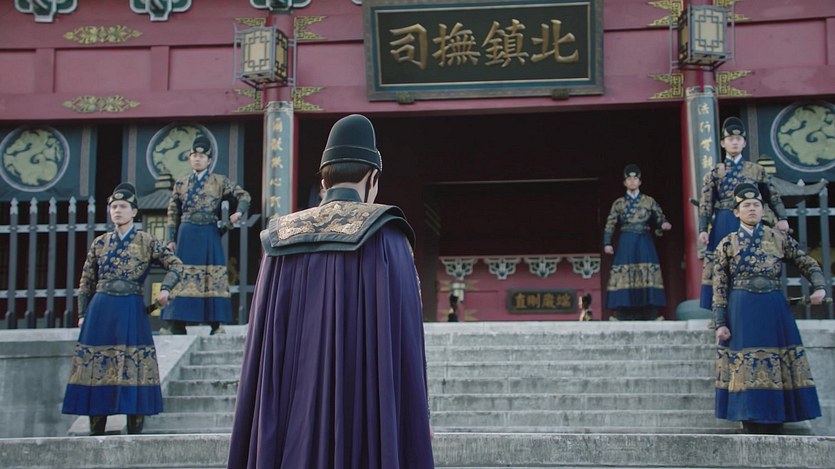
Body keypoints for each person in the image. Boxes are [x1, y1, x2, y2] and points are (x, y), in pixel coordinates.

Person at [227, 114, 434, 469]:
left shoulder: (281, 238)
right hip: (361, 413)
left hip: (291, 415)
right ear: (372, 178)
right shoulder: (387, 236)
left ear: (324, 179)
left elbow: (262, 348)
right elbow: (405, 344)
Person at [62, 183, 183, 435]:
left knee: (133, 362)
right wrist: (83, 314)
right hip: (101, 308)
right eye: (114, 207)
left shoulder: (146, 241)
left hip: (130, 307)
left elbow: (176, 265)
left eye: (123, 206)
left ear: (134, 211)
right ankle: (97, 427)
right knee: (98, 363)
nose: (117, 211)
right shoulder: (100, 243)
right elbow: (86, 282)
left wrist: (165, 290)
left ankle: (134, 426)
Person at [712, 183, 825, 434]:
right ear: (736, 212)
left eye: (756, 205)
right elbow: (719, 286)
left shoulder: (778, 238)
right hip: (741, 307)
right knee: (745, 361)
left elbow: (806, 262)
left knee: (778, 358)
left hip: (773, 306)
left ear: (763, 210)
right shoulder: (727, 244)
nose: (752, 209)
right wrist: (720, 322)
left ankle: (778, 415)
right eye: (746, 206)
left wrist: (819, 286)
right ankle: (748, 416)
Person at [161, 135, 251, 335]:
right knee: (181, 273)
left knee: (212, 274)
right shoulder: (181, 182)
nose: (197, 159)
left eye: (201, 156)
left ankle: (216, 324)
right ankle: (177, 323)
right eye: (194, 155)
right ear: (189, 158)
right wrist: (170, 239)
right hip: (186, 232)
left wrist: (238, 213)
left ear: (209, 160)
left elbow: (244, 195)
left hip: (209, 231)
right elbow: (172, 212)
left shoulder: (219, 181)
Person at [698, 117, 789, 310]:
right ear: (723, 143)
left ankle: (755, 305)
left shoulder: (756, 170)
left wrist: (782, 218)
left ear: (744, 143)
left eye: (738, 139)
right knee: (721, 262)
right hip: (724, 220)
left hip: (751, 221)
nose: (735, 142)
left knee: (754, 260)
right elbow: (706, 203)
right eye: (730, 139)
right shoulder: (715, 172)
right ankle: (719, 312)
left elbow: (771, 195)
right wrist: (703, 228)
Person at [603, 164, 672, 320]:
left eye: (635, 179)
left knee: (647, 271)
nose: (632, 182)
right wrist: (607, 243)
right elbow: (610, 224)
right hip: (626, 240)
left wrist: (663, 224)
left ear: (640, 182)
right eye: (629, 179)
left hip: (643, 239)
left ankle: (649, 312)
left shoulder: (649, 201)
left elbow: (659, 218)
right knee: (625, 273)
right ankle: (623, 312)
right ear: (625, 183)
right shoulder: (619, 203)